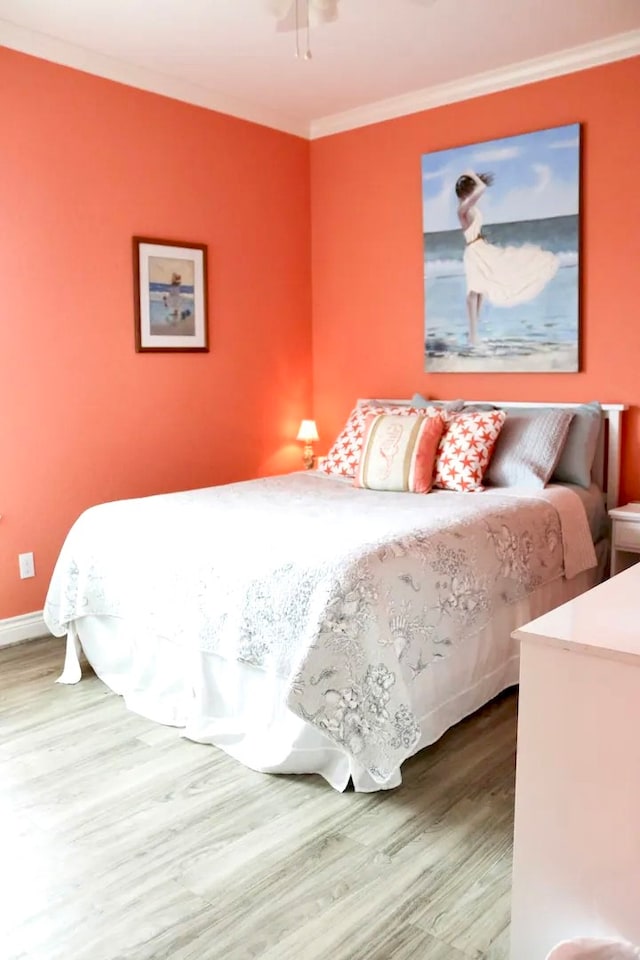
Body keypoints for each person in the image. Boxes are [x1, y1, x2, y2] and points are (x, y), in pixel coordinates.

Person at [455, 170, 559, 347]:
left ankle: (474, 333)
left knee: (479, 291)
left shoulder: (471, 208)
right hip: (473, 250)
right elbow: (481, 188)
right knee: (473, 291)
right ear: (467, 191)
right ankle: (473, 335)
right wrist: (471, 174)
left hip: (480, 246)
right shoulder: (463, 209)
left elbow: (476, 221)